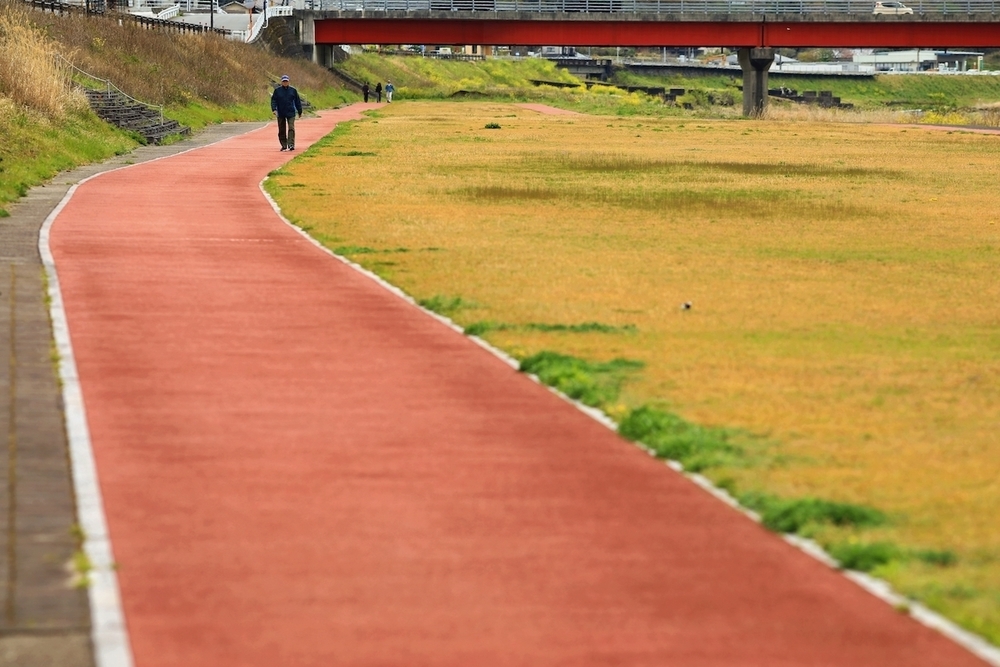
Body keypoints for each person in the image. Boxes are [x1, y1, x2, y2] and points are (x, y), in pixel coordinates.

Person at [270, 74, 302, 152]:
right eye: (283, 81)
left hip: (291, 112)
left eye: (286, 81)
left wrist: (300, 111)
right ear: (281, 82)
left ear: (288, 82)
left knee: (291, 128)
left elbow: (297, 101)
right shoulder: (277, 91)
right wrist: (274, 109)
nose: (285, 82)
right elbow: (273, 100)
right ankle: (284, 145)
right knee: (281, 130)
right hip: (280, 112)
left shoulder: (293, 90)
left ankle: (291, 144)